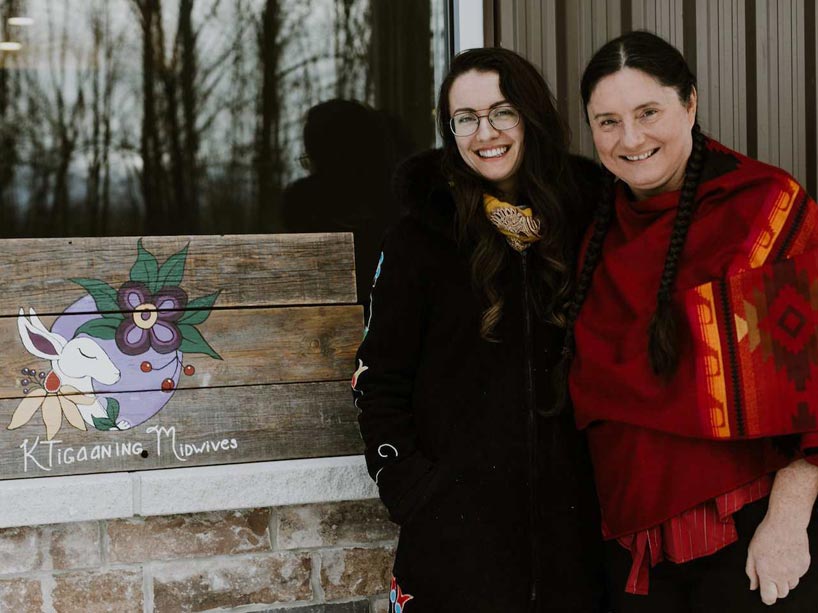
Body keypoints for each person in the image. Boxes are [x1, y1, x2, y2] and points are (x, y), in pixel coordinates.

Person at [565, 30, 818, 611]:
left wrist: (787, 523)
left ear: (690, 103)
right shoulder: (593, 232)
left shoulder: (763, 208)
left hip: (747, 534)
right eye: (607, 122)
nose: (631, 138)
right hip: (629, 546)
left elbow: (811, 385)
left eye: (648, 112)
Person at [352, 47, 605, 612]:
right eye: (465, 118)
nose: (484, 133)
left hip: (576, 545)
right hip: (457, 548)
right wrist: (416, 492)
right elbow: (378, 380)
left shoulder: (588, 222)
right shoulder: (419, 241)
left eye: (502, 112)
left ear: (532, 115)